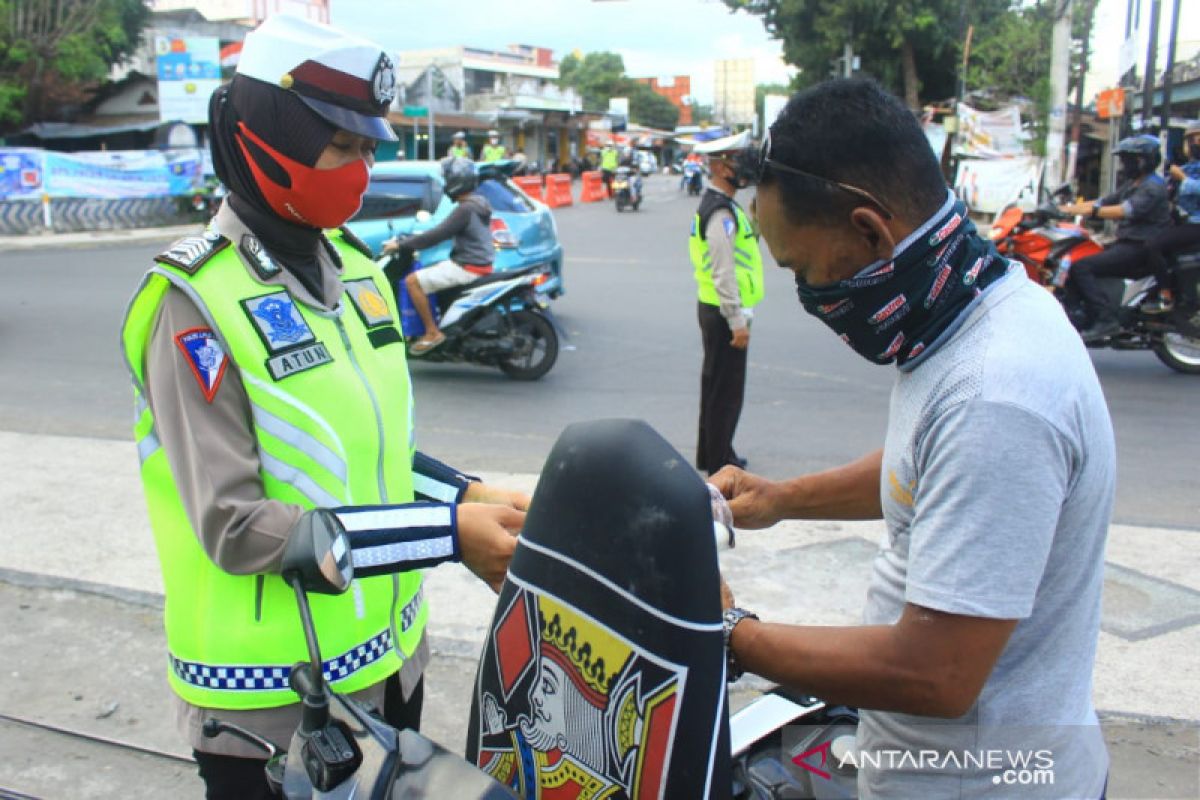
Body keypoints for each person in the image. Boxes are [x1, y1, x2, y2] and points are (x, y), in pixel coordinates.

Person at [119, 16, 526, 799]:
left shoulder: (357, 270)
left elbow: (362, 460)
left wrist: (472, 496)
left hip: (390, 662)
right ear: (266, 132)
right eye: (342, 146)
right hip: (271, 703)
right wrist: (447, 535)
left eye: (371, 148)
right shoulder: (193, 301)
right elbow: (235, 524)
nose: (361, 170)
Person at [714, 80, 1114, 799]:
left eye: (803, 269)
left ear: (871, 232)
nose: (810, 297)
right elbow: (927, 467)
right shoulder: (985, 305)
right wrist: (782, 499)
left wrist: (729, 633)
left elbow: (936, 673)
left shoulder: (996, 393)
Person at [690, 130, 764, 475]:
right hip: (724, 313)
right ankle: (721, 464)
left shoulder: (724, 207)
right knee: (726, 391)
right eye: (734, 159)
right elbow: (723, 271)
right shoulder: (720, 213)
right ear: (720, 168)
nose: (741, 166)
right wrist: (737, 320)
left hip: (713, 308)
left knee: (715, 385)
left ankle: (713, 453)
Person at [1059, 134, 1171, 339]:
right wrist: (1065, 209)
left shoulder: (1152, 186)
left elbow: (1123, 211)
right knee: (1077, 260)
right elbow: (1102, 202)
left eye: (1129, 160)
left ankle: (1106, 319)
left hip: (1140, 246)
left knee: (1081, 267)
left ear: (1144, 160)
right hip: (1128, 242)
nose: (1124, 164)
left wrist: (1087, 211)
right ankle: (1084, 314)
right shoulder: (1134, 183)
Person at [385, 157, 495, 354]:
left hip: (468, 266)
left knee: (412, 281)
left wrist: (400, 245)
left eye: (448, 179)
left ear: (457, 182)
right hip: (479, 262)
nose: (446, 183)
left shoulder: (465, 209)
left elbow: (437, 235)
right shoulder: (479, 203)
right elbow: (441, 231)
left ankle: (432, 332)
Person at [1142, 121, 1200, 313]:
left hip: (1196, 223)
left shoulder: (1186, 172)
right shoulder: (1189, 167)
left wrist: (1183, 178)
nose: (1195, 144)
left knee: (1153, 245)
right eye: (1192, 140)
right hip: (1182, 222)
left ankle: (1166, 295)